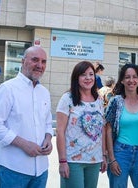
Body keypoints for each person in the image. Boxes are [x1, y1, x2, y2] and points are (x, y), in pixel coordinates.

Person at [0, 46, 54, 188]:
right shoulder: (7, 89)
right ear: (23, 61)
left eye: (43, 61)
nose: (40, 65)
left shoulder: (44, 92)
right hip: (13, 168)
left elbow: (48, 123)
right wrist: (24, 144)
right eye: (35, 60)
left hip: (41, 169)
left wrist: (48, 138)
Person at [105, 63, 138, 188]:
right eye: (127, 77)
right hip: (120, 154)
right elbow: (107, 130)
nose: (131, 80)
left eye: (135, 77)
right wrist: (111, 159)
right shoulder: (116, 102)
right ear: (122, 81)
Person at [56, 60, 107, 188]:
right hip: (72, 160)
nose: (88, 78)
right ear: (76, 77)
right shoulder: (68, 98)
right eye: (83, 74)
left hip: (94, 160)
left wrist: (103, 155)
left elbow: (102, 130)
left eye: (91, 74)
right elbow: (60, 131)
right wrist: (62, 161)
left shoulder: (99, 100)